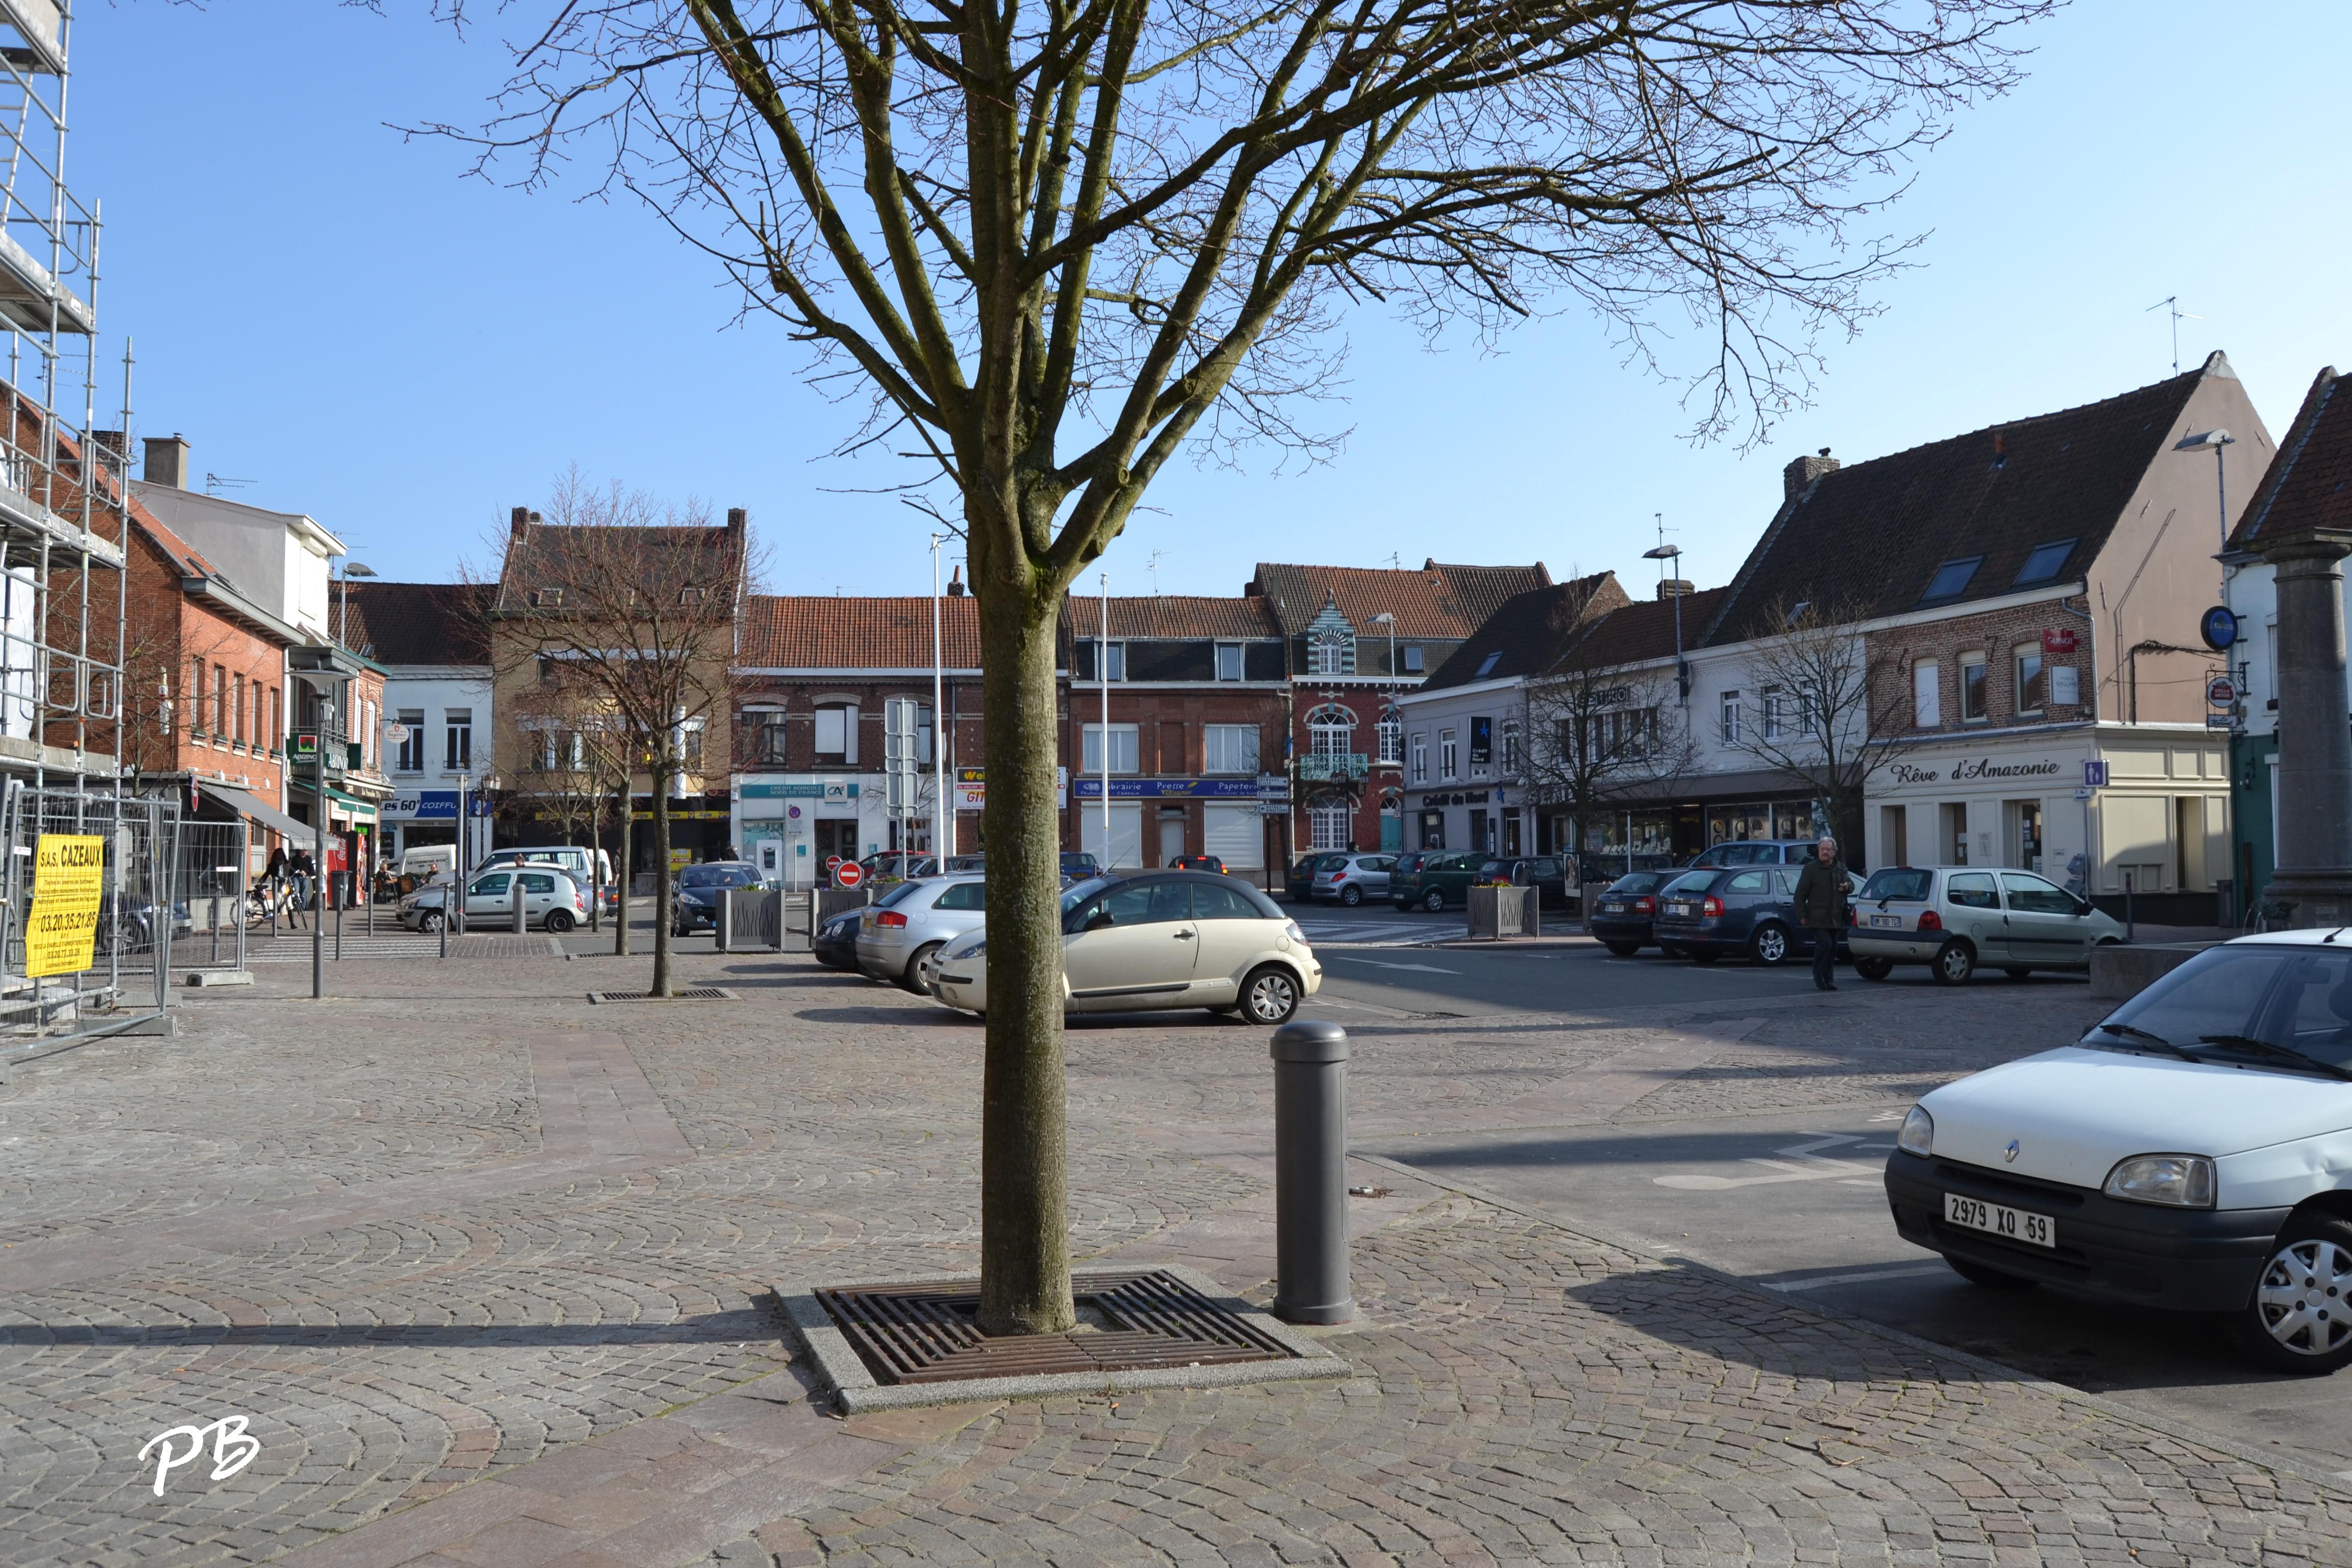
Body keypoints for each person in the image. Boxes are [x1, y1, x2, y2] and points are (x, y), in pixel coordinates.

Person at [1792, 836, 1849, 991]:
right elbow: (1799, 895)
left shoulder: (1840, 868)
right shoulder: (1811, 869)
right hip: (1817, 917)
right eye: (1822, 849)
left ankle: (1829, 979)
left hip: (1836, 916)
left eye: (1828, 850)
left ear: (1834, 852)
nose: (1825, 852)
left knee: (1833, 949)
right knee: (1825, 944)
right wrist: (1802, 915)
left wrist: (1847, 886)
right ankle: (1818, 975)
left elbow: (1850, 885)